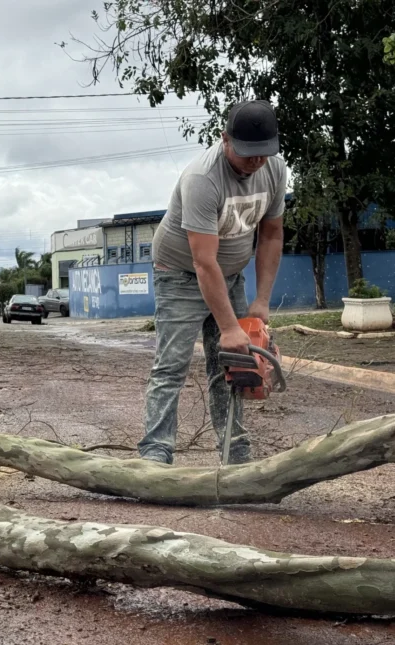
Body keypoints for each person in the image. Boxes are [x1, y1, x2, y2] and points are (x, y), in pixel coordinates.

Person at [140, 100, 288, 465]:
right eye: (247, 153)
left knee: (234, 365)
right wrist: (228, 327)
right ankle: (155, 453)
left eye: (262, 154)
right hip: (180, 273)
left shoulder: (275, 171)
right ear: (225, 140)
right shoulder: (202, 180)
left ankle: (235, 453)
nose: (255, 162)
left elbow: (271, 236)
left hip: (232, 274)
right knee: (172, 364)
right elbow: (203, 262)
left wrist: (261, 302)